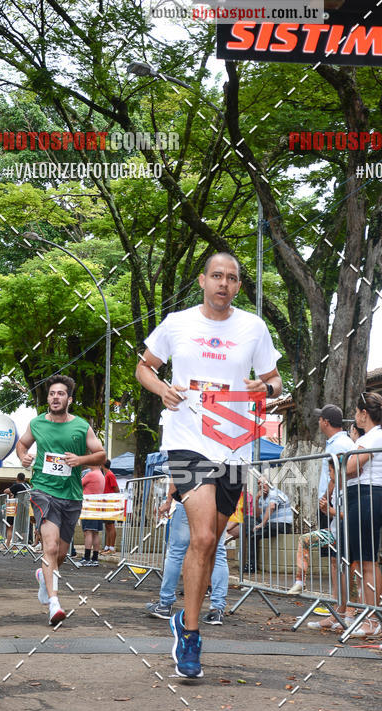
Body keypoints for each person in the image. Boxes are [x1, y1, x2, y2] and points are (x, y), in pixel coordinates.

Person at [136, 250, 282, 677]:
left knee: (213, 541)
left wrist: (265, 387)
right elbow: (144, 367)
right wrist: (161, 388)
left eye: (232, 278)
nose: (223, 283)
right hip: (186, 438)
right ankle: (192, 634)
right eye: (216, 276)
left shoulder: (253, 328)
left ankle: (184, 617)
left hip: (234, 443)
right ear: (202, 280)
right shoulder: (178, 323)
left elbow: (273, 379)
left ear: (239, 285)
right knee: (200, 537)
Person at [15, 375, 106, 625]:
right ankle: (54, 603)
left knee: (62, 554)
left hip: (71, 496)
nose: (55, 397)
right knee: (51, 547)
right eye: (52, 393)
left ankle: (44, 578)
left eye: (61, 394)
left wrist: (80, 460)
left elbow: (101, 455)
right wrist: (23, 457)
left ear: (69, 399)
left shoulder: (80, 426)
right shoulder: (36, 424)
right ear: (48, 398)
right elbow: (21, 445)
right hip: (44, 492)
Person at [343, 391, 382, 636]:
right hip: (360, 496)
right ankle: (365, 615)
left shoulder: (376, 436)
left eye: (356, 412)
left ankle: (372, 620)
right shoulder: (372, 437)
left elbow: (350, 466)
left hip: (368, 497)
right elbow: (350, 469)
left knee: (367, 561)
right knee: (362, 560)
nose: (354, 417)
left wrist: (347, 467)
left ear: (364, 414)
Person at [288, 406, 354, 595]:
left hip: (335, 503)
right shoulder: (336, 442)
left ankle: (340, 603)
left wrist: (326, 497)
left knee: (338, 557)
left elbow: (336, 475)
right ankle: (337, 600)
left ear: (326, 421)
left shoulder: (339, 444)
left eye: (320, 419)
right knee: (334, 556)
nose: (318, 422)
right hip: (332, 502)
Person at [146, 481, 229, 625]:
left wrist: (168, 501)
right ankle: (217, 610)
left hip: (189, 500)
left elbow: (176, 470)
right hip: (218, 502)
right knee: (218, 552)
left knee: (176, 553)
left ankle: (165, 604)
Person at [241, 476, 293, 573]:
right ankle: (251, 534)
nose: (261, 485)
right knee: (247, 519)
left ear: (269, 484)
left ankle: (252, 566)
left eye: (263, 483)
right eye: (259, 483)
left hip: (281, 525)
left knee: (254, 535)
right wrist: (256, 499)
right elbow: (257, 514)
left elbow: (271, 507)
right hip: (269, 525)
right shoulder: (262, 497)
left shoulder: (274, 492)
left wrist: (262, 524)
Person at [79, 464, 106, 566]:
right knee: (95, 533)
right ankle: (94, 558)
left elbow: (79, 484)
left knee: (88, 532)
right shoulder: (101, 475)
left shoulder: (91, 474)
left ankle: (86, 558)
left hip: (89, 506)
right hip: (98, 506)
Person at [3, 472, 28, 545]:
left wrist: (11, 493)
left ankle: (9, 544)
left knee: (11, 527)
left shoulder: (18, 485)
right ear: (24, 479)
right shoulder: (27, 486)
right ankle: (23, 545)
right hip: (27, 509)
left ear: (17, 479)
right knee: (24, 528)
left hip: (17, 509)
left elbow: (5, 491)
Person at [101, 459, 120, 553]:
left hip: (110, 503)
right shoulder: (107, 474)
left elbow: (116, 489)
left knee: (111, 525)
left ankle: (112, 547)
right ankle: (107, 546)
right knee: (107, 526)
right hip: (106, 503)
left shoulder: (110, 475)